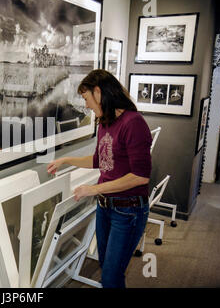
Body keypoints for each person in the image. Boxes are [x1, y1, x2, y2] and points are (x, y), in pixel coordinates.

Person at [47, 69, 152, 288]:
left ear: (99, 92)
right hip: (105, 208)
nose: (85, 105)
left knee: (111, 276)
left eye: (86, 98)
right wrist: (66, 160)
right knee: (107, 268)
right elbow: (99, 160)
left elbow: (140, 177)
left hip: (128, 211)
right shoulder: (105, 122)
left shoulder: (133, 123)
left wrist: (93, 189)